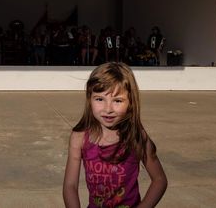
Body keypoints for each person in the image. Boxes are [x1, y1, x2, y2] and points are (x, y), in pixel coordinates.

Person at [63, 62, 167, 208]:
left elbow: (159, 180)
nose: (108, 109)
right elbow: (70, 185)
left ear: (130, 102)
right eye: (100, 99)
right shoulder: (79, 137)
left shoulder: (136, 136)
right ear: (89, 99)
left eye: (117, 100)